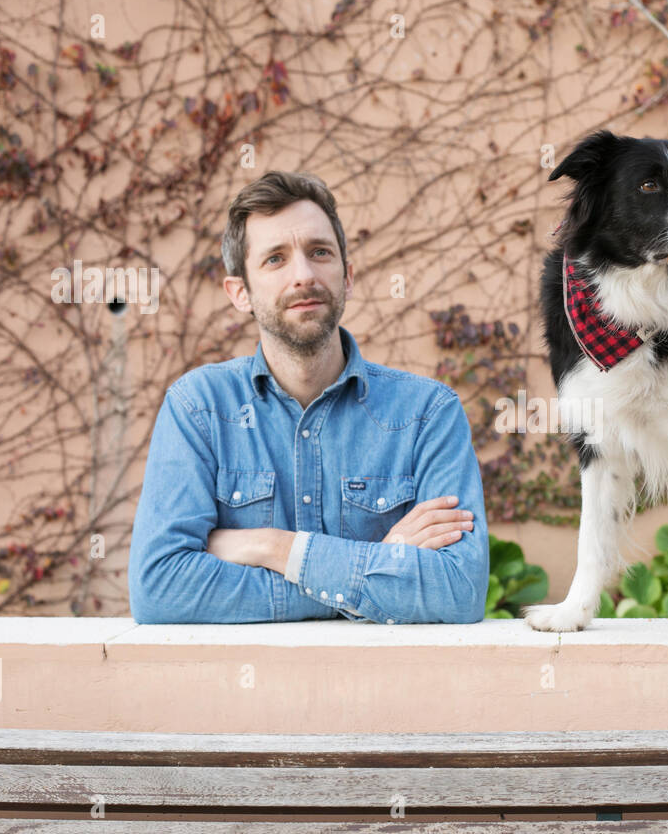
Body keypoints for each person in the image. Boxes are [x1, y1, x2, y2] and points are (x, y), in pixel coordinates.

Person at [128, 170, 488, 624]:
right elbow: (160, 589)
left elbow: (459, 589)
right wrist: (379, 563)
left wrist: (273, 547)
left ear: (347, 276)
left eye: (319, 253)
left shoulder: (428, 414)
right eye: (275, 259)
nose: (303, 275)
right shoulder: (198, 408)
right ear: (240, 292)